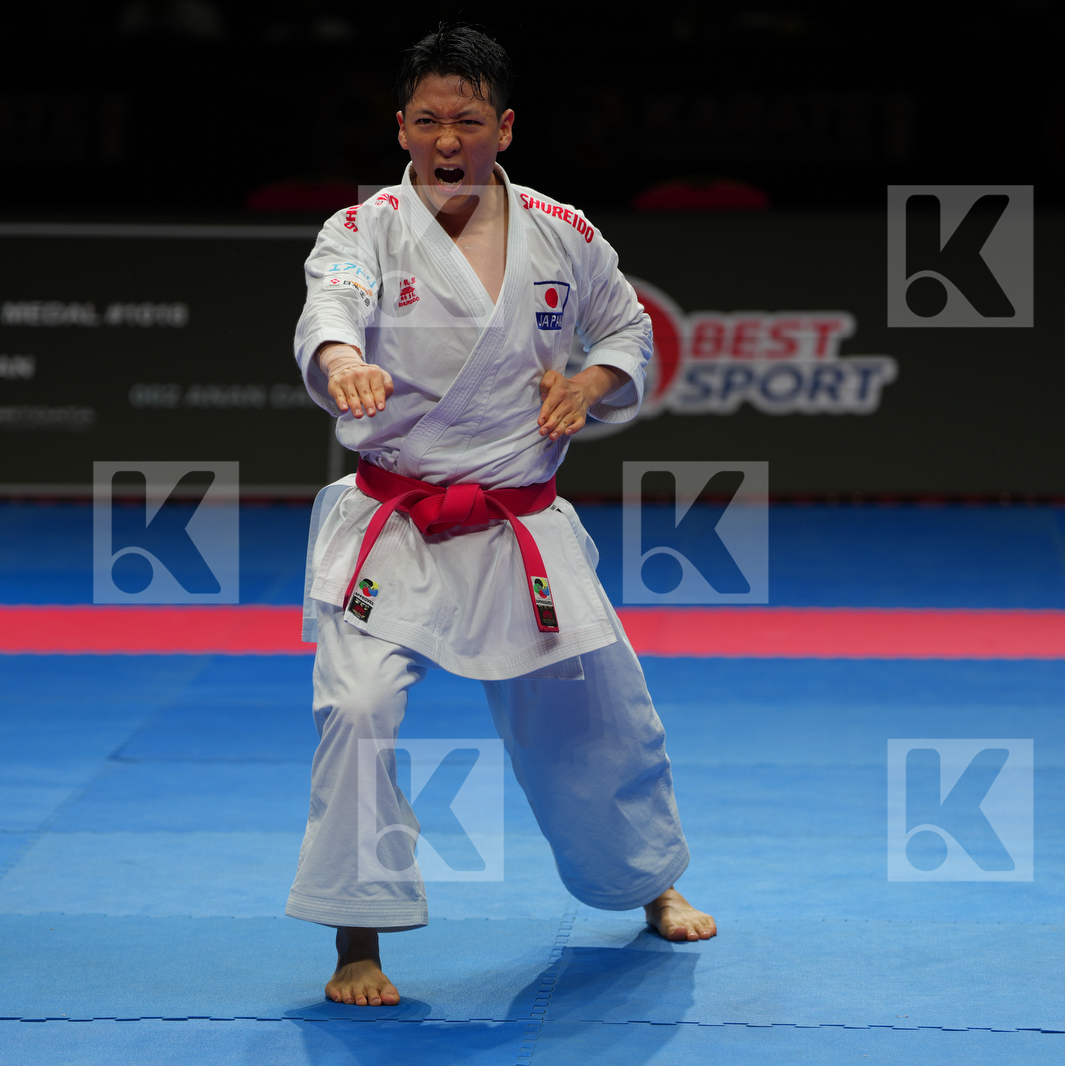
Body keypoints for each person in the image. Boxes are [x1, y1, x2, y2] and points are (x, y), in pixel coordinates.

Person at [288, 24, 716, 1008]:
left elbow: (626, 325)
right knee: (355, 711)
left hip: (517, 523)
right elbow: (329, 312)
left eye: (468, 121)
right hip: (393, 522)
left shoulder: (564, 232)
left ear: (504, 129)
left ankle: (646, 882)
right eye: (428, 120)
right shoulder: (361, 231)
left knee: (600, 712)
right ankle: (358, 939)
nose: (447, 139)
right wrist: (342, 364)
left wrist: (595, 379)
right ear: (399, 126)